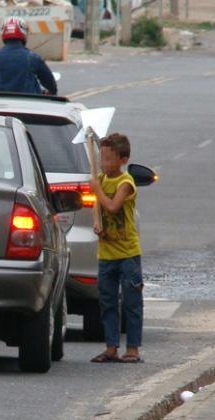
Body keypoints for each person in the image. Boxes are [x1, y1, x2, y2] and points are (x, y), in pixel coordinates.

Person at [88, 133, 144, 364]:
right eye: (102, 159)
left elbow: (111, 206)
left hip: (128, 254)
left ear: (123, 159)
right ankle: (111, 347)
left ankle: (132, 349)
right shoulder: (100, 179)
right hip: (106, 254)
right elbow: (97, 208)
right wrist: (96, 224)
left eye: (110, 159)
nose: (105, 164)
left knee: (131, 303)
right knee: (107, 302)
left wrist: (96, 189)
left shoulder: (126, 183)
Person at [0, 17, 57, 96]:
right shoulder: (33, 58)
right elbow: (51, 85)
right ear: (24, 33)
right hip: (28, 105)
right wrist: (50, 92)